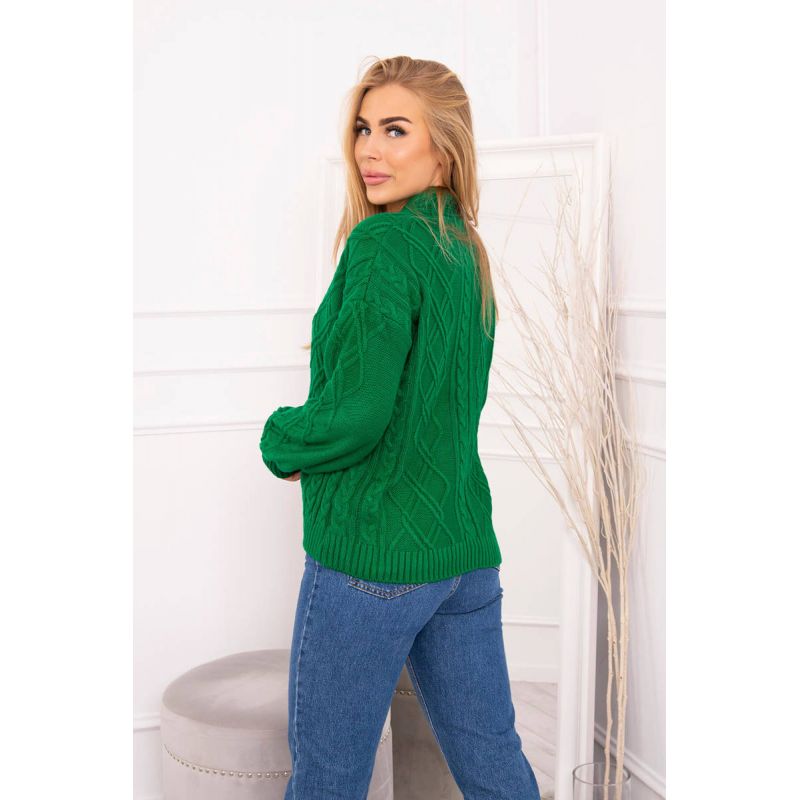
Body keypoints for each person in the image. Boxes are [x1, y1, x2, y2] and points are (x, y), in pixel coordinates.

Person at [260, 55, 541, 800]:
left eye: (394, 130)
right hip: (462, 554)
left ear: (443, 150)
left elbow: (358, 413)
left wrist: (281, 440)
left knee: (328, 777)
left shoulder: (381, 244)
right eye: (363, 129)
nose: (369, 151)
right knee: (494, 764)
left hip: (374, 560)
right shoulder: (463, 248)